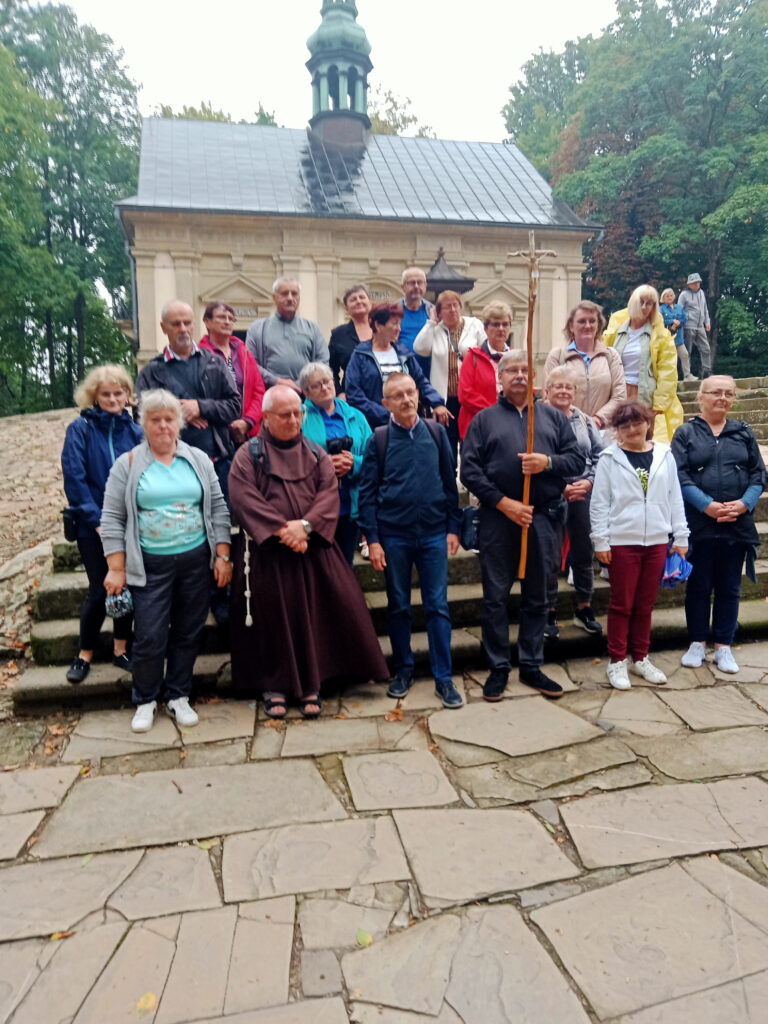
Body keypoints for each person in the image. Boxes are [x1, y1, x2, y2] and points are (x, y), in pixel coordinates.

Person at [228, 386, 388, 719]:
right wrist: (283, 530)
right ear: (266, 417)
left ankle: (313, 682)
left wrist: (305, 527)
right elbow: (243, 497)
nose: (293, 420)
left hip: (311, 547)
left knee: (324, 611)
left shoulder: (316, 453)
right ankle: (275, 685)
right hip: (268, 553)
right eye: (284, 414)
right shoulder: (248, 454)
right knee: (273, 619)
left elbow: (329, 493)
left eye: (297, 413)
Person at [100, 389, 232, 732]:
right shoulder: (127, 464)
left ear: (180, 423)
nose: (162, 426)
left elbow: (218, 508)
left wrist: (223, 555)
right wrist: (116, 567)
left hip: (195, 561)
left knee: (188, 631)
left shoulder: (198, 459)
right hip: (149, 565)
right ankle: (145, 698)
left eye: (169, 419)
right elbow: (112, 518)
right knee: (149, 635)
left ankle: (178, 695)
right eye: (155, 419)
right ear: (143, 424)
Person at [460, 351, 585, 701]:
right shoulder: (484, 420)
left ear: (533, 377)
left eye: (524, 370)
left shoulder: (552, 417)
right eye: (511, 370)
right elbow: (469, 470)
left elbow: (576, 460)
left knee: (538, 595)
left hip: (542, 517)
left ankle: (531, 664)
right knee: (495, 597)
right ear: (499, 377)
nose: (518, 375)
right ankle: (498, 667)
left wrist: (547, 463)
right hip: (498, 519)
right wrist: (504, 503)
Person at [357, 372, 464, 709]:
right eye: (397, 396)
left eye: (410, 392)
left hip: (433, 534)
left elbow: (449, 482)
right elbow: (367, 493)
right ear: (386, 403)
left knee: (438, 606)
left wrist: (453, 528)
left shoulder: (436, 433)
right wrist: (373, 539)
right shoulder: (379, 440)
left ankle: (443, 677)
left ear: (418, 394)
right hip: (394, 536)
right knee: (399, 606)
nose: (406, 400)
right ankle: (403, 670)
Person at [590, 400, 689, 690]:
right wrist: (601, 540)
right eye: (625, 425)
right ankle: (617, 660)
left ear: (648, 423)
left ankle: (641, 656)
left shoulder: (664, 454)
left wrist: (680, 536)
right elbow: (599, 503)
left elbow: (674, 497)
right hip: (622, 541)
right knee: (622, 604)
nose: (633, 429)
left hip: (656, 540)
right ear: (617, 430)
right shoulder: (609, 458)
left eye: (637, 423)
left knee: (645, 604)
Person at [672, 376, 767, 674]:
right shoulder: (685, 433)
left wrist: (745, 503)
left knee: (730, 586)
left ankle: (724, 645)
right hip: (699, 523)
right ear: (701, 397)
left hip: (736, 524)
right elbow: (679, 475)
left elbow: (759, 474)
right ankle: (697, 642)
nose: (723, 398)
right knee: (698, 586)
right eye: (716, 392)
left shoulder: (743, 432)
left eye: (729, 393)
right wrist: (707, 506)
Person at [61, 365, 144, 684]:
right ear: (94, 396)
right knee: (100, 588)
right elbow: (75, 477)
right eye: (105, 394)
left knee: (127, 585)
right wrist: (97, 520)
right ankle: (85, 654)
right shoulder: (80, 429)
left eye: (118, 393)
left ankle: (121, 649)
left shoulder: (135, 432)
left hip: (129, 523)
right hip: (91, 525)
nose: (112, 399)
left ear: (127, 395)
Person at [135, 300, 240, 501]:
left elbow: (235, 406)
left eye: (187, 323)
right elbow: (142, 416)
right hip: (171, 466)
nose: (183, 329)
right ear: (163, 327)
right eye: (176, 324)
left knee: (219, 518)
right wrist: (178, 413)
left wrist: (200, 407)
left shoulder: (214, 363)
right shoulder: (151, 372)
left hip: (216, 463)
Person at [543, 366, 604, 640]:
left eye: (569, 387)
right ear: (547, 391)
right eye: (559, 386)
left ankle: (584, 607)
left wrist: (589, 482)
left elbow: (600, 455)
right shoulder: (537, 419)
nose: (564, 391)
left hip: (583, 490)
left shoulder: (585, 420)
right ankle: (548, 611)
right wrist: (562, 487)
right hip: (551, 493)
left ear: (576, 392)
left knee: (583, 550)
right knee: (550, 554)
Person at [300, 361, 372, 565]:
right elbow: (289, 459)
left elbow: (375, 459)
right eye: (316, 385)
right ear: (306, 392)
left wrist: (353, 462)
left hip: (350, 504)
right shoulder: (299, 417)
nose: (324, 387)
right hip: (314, 507)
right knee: (317, 568)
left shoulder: (355, 416)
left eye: (327, 381)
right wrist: (323, 465)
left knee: (345, 566)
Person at [344, 303, 450, 429]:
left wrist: (437, 403)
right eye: (394, 324)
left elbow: (421, 381)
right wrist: (387, 415)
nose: (399, 329)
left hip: (407, 423)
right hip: (374, 426)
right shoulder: (360, 355)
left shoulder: (402, 352)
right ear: (378, 325)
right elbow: (354, 395)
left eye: (400, 324)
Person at [603, 285, 683, 444]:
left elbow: (668, 371)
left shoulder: (661, 335)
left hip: (645, 394)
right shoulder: (616, 329)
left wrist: (659, 403)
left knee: (644, 439)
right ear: (633, 302)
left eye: (650, 303)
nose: (645, 307)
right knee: (615, 438)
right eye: (641, 302)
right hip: (618, 391)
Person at [413, 290, 485, 457]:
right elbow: (419, 348)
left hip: (469, 398)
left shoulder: (474, 325)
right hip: (445, 400)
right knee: (447, 448)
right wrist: (431, 322)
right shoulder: (436, 329)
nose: (452, 310)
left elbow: (485, 353)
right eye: (447, 307)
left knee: (471, 444)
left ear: (461, 307)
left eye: (455, 305)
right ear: (439, 311)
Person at [544, 300, 626, 430]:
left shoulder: (611, 356)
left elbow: (620, 397)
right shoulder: (557, 356)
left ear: (598, 325)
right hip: (566, 430)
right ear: (571, 326)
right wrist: (577, 422)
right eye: (582, 321)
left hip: (603, 432)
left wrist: (597, 420)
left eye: (592, 321)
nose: (587, 326)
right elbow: (548, 396)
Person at [245, 277, 329, 392]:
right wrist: (276, 381)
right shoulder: (257, 328)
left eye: (294, 294)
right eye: (284, 294)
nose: (290, 298)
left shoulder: (313, 328)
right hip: (270, 393)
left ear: (299, 298)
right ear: (274, 298)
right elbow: (250, 363)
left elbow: (323, 361)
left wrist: (302, 383)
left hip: (306, 393)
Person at [199, 301, 265, 443]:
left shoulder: (244, 353)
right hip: (214, 433)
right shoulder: (199, 355)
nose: (227, 322)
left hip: (246, 433)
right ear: (207, 322)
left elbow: (259, 391)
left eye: (231, 318)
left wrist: (247, 421)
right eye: (222, 317)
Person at [457, 301, 513, 440]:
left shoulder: (516, 358)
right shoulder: (472, 357)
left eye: (505, 324)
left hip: (509, 427)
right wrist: (496, 412)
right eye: (496, 324)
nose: (501, 328)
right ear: (486, 328)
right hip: (478, 428)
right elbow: (465, 394)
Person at [329, 285, 373, 394]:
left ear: (370, 303)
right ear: (346, 308)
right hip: (351, 394)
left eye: (362, 297)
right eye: (353, 299)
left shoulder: (382, 328)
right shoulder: (338, 334)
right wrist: (339, 393)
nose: (358, 301)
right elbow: (330, 369)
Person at [397, 266, 435, 378]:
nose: (416, 286)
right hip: (402, 372)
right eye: (412, 283)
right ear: (403, 287)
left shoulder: (433, 311)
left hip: (429, 373)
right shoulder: (393, 310)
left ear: (425, 286)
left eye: (420, 282)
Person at [678, 273, 712, 380]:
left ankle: (707, 372)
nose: (697, 284)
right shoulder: (683, 295)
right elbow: (679, 310)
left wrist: (707, 322)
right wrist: (682, 324)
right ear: (689, 284)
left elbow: (705, 309)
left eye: (698, 282)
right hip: (688, 326)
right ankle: (686, 374)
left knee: (706, 349)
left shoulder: (702, 293)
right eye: (694, 282)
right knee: (687, 351)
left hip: (700, 326)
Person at [659, 288, 691, 381]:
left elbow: (685, 319)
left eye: (671, 295)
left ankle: (687, 376)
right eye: (667, 296)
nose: (669, 297)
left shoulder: (679, 307)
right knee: (670, 360)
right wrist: (672, 321)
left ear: (674, 296)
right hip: (667, 339)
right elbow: (660, 321)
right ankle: (669, 378)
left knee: (685, 355)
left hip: (679, 338)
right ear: (663, 298)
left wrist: (678, 323)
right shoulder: (661, 309)